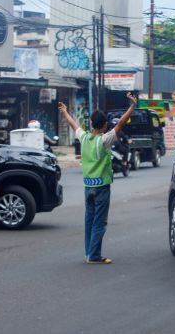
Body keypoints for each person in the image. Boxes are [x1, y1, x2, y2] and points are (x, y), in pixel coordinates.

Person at [58, 92, 137, 264]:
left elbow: (74, 125)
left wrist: (65, 113)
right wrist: (132, 106)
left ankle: (89, 252)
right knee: (99, 222)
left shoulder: (84, 137)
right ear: (105, 125)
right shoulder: (104, 140)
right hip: (102, 187)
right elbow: (121, 123)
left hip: (88, 187)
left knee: (89, 220)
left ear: (91, 124)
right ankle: (94, 255)